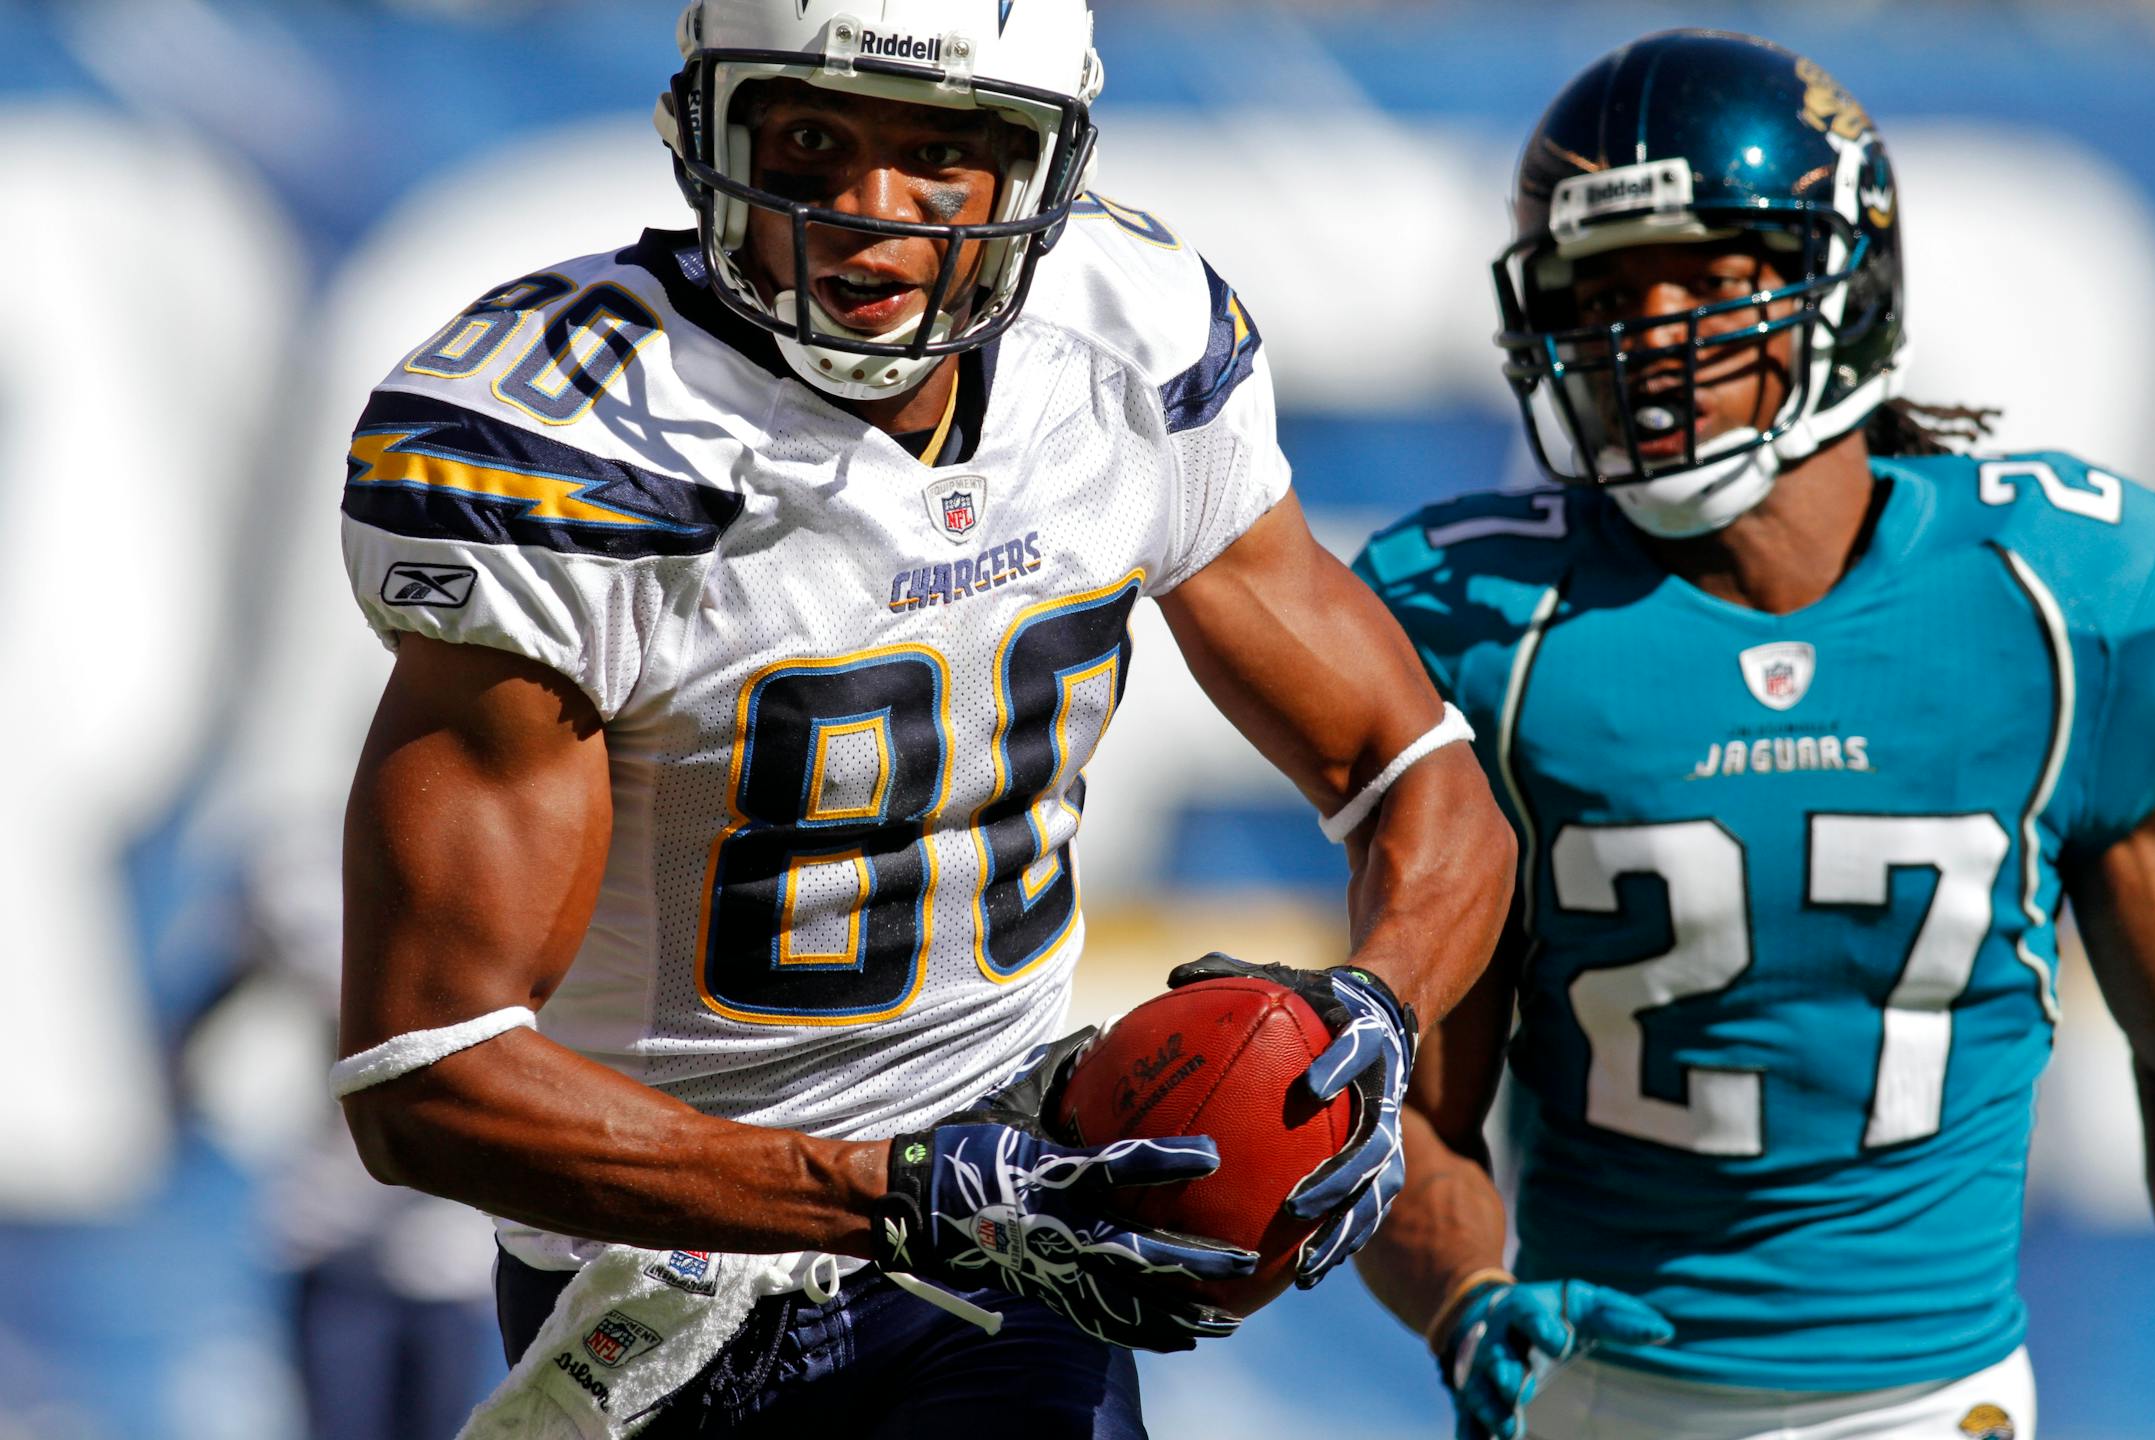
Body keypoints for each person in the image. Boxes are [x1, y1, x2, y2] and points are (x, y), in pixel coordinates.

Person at [331, 0, 1516, 1434]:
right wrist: (898, 1194)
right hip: (665, 1279)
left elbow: (1412, 769)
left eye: (941, 155)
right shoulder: (579, 440)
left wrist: (1381, 1005)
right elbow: (426, 1080)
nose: (869, 214)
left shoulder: (1125, 339)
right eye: (811, 140)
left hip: (1017, 1225)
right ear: (709, 131)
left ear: (1038, 171)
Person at [1351, 28, 2155, 1440]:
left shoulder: (2056, 599)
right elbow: (1404, 1109)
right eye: (1605, 292)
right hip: (1597, 1394)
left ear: (1846, 284)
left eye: (1711, 282)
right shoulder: (1482, 628)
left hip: (1941, 1401)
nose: (1652, 340)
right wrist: (1466, 1297)